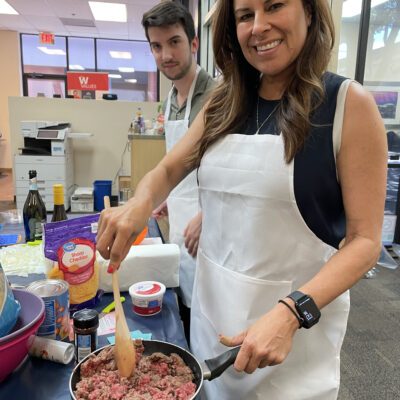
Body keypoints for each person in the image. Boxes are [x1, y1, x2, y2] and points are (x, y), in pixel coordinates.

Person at [97, 0, 387, 398]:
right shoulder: (224, 102)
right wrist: (140, 201)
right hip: (211, 332)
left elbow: (366, 241)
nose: (258, 26)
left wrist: (291, 312)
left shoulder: (347, 105)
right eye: (245, 15)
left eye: (274, 6)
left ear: (309, 12)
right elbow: (167, 170)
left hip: (290, 353)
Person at [141, 1, 216, 343]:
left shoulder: (216, 96)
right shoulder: (170, 98)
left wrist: (208, 213)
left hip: (212, 227)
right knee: (184, 307)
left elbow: (230, 168)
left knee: (211, 316)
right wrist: (169, 199)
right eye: (156, 46)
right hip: (181, 223)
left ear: (194, 43)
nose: (165, 54)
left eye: (174, 42)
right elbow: (181, 163)